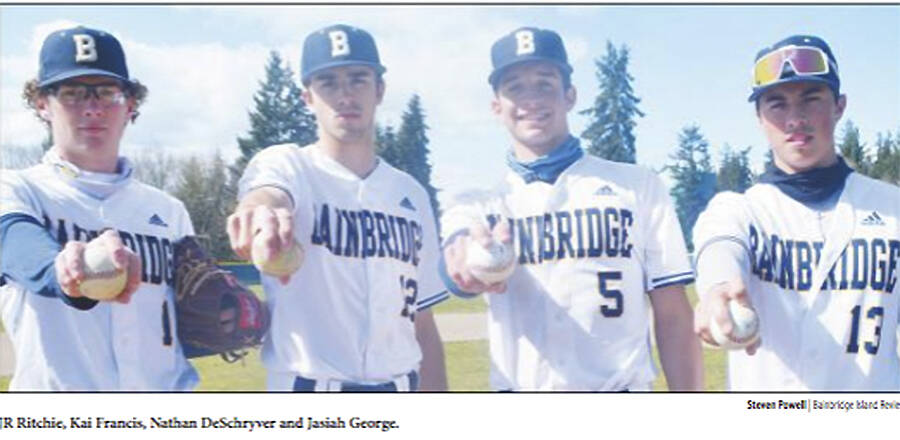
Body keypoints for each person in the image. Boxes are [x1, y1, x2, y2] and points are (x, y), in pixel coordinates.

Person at [440, 26, 703, 391]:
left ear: (570, 95)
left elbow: (673, 313)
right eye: (515, 87)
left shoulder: (638, 185)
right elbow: (454, 261)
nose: (531, 99)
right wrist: (463, 265)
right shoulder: (478, 203)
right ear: (496, 106)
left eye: (545, 84)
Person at [227, 24, 448, 392]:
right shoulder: (289, 165)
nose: (345, 94)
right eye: (328, 82)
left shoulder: (410, 193)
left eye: (358, 78)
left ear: (379, 90)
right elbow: (267, 191)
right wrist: (263, 210)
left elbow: (422, 320)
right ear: (308, 98)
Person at [693, 35, 900, 390]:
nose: (795, 119)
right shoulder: (739, 210)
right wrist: (717, 289)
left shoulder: (891, 206)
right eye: (777, 104)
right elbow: (719, 248)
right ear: (759, 117)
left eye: (811, 99)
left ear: (839, 106)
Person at [0, 26, 198, 390]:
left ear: (130, 103)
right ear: (43, 104)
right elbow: (16, 246)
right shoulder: (16, 189)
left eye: (107, 92)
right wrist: (62, 270)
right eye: (73, 93)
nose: (92, 108)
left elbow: (189, 324)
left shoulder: (169, 210)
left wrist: (233, 314)